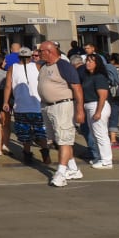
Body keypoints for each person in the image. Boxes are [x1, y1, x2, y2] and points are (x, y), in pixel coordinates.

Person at [35, 41, 87, 187]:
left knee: (64, 139)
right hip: (47, 107)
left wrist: (80, 109)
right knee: (58, 139)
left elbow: (77, 88)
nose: (39, 54)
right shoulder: (44, 66)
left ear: (49, 51)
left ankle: (60, 173)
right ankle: (74, 169)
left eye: (41, 51)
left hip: (62, 106)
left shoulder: (64, 65)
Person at [3, 47, 49, 167]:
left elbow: (8, 86)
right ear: (30, 56)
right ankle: (45, 153)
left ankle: (27, 155)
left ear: (19, 57)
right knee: (41, 131)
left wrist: (6, 102)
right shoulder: (38, 67)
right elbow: (45, 84)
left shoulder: (13, 68)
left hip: (21, 107)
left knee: (25, 133)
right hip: (37, 105)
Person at [79, 53, 115, 169]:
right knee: (95, 134)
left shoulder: (99, 77)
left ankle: (106, 160)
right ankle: (100, 157)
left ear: (97, 63)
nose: (87, 63)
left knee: (101, 134)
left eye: (91, 61)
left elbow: (103, 96)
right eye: (87, 61)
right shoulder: (88, 76)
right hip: (89, 105)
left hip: (98, 105)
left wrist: (98, 112)